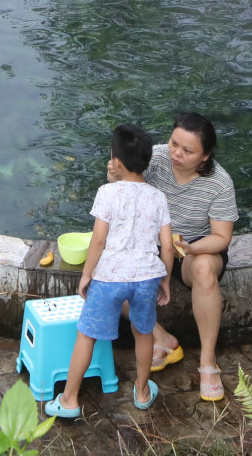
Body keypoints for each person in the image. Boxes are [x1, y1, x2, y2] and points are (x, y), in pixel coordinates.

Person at [46, 124, 173, 419]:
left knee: (87, 334)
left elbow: (99, 240)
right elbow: (166, 247)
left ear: (115, 161)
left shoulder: (106, 192)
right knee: (144, 334)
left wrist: (87, 274)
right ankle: (142, 392)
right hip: (146, 278)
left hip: (109, 278)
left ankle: (69, 399)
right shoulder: (158, 197)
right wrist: (164, 280)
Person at [143, 113, 237, 402]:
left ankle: (208, 363)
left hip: (192, 248)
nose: (176, 153)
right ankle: (161, 338)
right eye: (174, 143)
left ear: (205, 156)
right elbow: (122, 184)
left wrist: (191, 248)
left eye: (187, 150)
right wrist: (114, 172)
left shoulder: (219, 183)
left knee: (206, 268)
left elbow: (222, 237)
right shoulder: (155, 158)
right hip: (153, 246)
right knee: (108, 270)